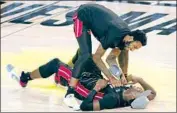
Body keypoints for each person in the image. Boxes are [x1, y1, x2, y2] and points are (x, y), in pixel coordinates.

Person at [7, 57, 156, 111]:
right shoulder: (128, 91)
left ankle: (24, 78)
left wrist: (96, 88)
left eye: (138, 91)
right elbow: (153, 93)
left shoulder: (113, 99)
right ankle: (62, 78)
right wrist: (140, 79)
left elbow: (85, 107)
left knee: (55, 64)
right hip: (95, 79)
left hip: (84, 87)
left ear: (132, 97)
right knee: (87, 55)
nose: (139, 88)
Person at [67, 3, 147, 99]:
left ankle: (72, 62)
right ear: (130, 38)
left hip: (95, 14)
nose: (133, 50)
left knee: (85, 51)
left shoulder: (126, 38)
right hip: (83, 15)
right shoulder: (113, 35)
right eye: (134, 47)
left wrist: (123, 76)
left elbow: (111, 59)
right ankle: (70, 90)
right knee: (86, 55)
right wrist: (111, 78)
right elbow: (96, 58)